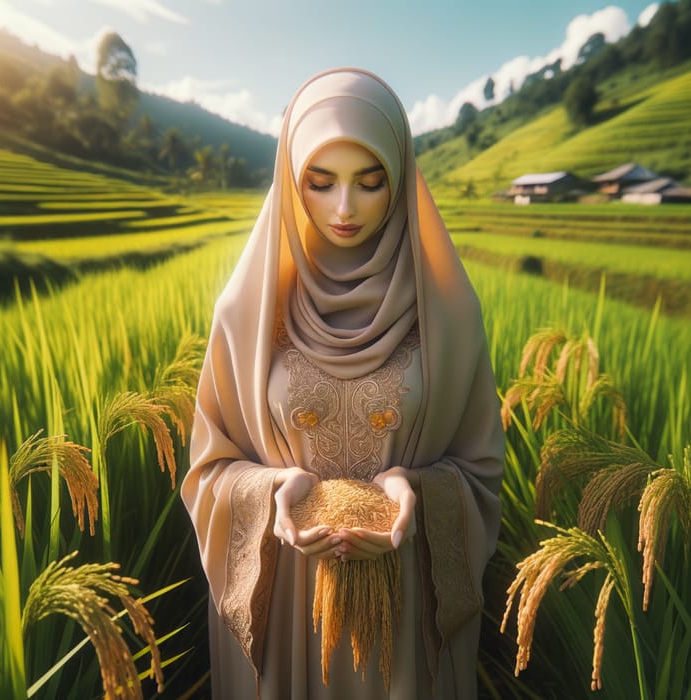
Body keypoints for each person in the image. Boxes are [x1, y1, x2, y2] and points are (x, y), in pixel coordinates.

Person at [181, 67, 504, 699]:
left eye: (371, 181)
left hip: (407, 606)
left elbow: (481, 471)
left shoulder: (449, 315)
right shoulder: (248, 316)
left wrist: (412, 493)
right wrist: (277, 490)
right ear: (291, 182)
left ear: (403, 180)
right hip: (286, 611)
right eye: (320, 183)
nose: (345, 209)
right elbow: (208, 470)